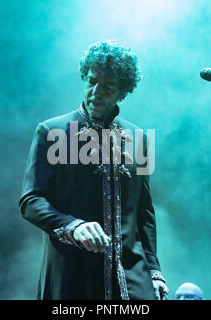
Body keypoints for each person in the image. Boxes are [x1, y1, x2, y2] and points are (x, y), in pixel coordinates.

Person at [19, 40, 168, 300]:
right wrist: (72, 226)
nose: (96, 92)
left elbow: (144, 212)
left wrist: (154, 271)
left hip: (131, 276)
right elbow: (31, 201)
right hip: (72, 273)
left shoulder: (140, 138)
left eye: (108, 86)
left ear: (122, 91)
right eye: (91, 81)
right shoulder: (51, 131)